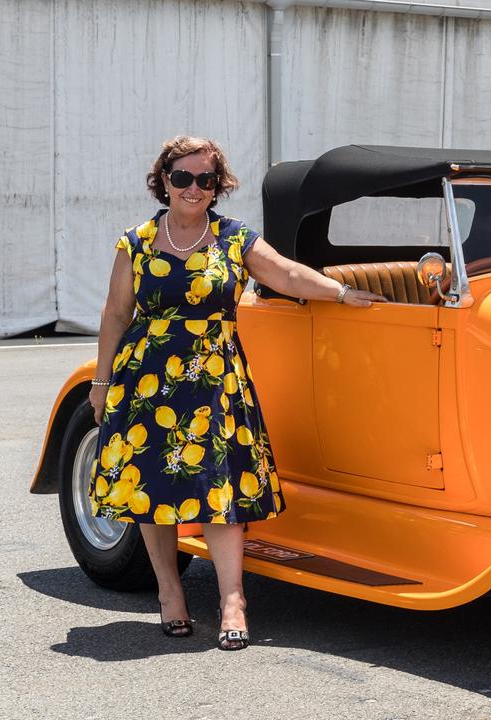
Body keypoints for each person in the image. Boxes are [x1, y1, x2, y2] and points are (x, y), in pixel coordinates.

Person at [87, 136, 385, 650]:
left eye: (206, 179)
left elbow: (285, 273)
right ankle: (169, 593)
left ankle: (232, 600)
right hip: (147, 382)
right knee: (150, 492)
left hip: (214, 381)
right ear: (164, 180)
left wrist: (339, 292)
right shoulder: (134, 242)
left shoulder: (233, 238)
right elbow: (116, 314)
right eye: (183, 177)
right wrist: (101, 379)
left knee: (219, 492)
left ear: (217, 185)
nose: (194, 188)